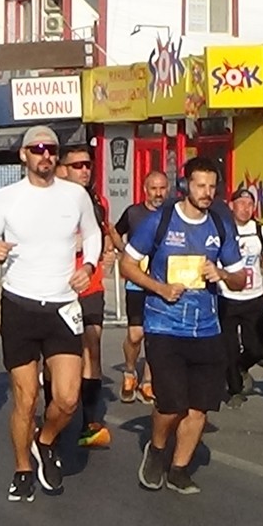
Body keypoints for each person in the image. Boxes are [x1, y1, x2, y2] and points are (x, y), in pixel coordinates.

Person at [0, 125, 101, 502]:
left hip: (62, 305)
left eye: (50, 150)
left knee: (67, 399)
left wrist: (90, 266)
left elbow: (92, 234)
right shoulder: (8, 197)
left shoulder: (75, 195)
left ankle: (45, 441)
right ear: (23, 156)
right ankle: (22, 469)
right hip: (19, 305)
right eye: (37, 149)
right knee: (26, 398)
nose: (44, 155)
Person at [123, 156, 247, 494]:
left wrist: (221, 274)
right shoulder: (160, 221)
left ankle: (179, 469)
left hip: (206, 328)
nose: (207, 192)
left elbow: (240, 277)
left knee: (199, 407)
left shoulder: (220, 225)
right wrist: (160, 288)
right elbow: (127, 265)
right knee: (171, 403)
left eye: (212, 186)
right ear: (185, 187)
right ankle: (158, 448)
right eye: (200, 185)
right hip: (164, 325)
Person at [55, 147, 118, 448]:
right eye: (77, 165)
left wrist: (106, 250)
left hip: (90, 286)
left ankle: (89, 422)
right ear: (62, 169)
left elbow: (103, 232)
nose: (84, 170)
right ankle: (56, 407)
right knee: (59, 355)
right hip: (56, 288)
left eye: (88, 165)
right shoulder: (50, 200)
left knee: (92, 348)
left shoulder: (97, 201)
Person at [114, 171, 169, 404]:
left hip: (161, 283)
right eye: (154, 188)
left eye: (162, 188)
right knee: (135, 335)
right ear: (145, 189)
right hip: (137, 282)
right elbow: (115, 231)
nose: (158, 193)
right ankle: (129, 371)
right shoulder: (134, 213)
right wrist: (123, 252)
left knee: (154, 335)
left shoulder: (172, 214)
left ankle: (148, 381)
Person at [218, 188, 263, 407]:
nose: (245, 208)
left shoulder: (260, 230)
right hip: (227, 296)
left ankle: (242, 367)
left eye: (250, 204)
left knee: (257, 349)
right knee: (229, 348)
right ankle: (234, 390)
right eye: (241, 203)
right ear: (231, 206)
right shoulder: (223, 229)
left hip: (253, 297)